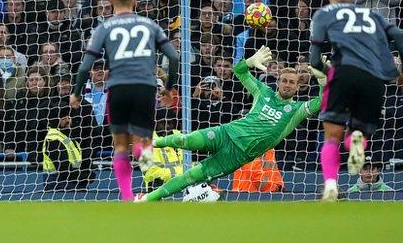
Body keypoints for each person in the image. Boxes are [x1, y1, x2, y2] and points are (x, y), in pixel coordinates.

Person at [135, 46, 324, 202]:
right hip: (226, 133)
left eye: (292, 82)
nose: (287, 85)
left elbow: (323, 100)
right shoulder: (263, 92)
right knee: (185, 139)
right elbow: (239, 71)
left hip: (236, 156)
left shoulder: (298, 110)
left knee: (191, 176)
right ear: (279, 81)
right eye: (284, 80)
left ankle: (146, 200)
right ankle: (150, 144)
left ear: (298, 86)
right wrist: (250, 61)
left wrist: (324, 79)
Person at [70, 0, 180, 201]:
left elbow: (85, 66)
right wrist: (168, 88)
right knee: (144, 141)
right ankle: (150, 183)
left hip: (118, 89)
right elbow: (174, 57)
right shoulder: (149, 24)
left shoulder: (104, 27)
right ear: (134, 1)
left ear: (111, 3)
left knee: (121, 145)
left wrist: (77, 93)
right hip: (145, 88)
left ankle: (128, 196)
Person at [309, 0, 403, 201]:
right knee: (358, 131)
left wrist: (325, 71)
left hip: (343, 72)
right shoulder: (372, 14)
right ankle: (356, 141)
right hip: (374, 77)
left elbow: (313, 59)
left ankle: (331, 183)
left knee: (332, 136)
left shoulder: (324, 14)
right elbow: (399, 34)